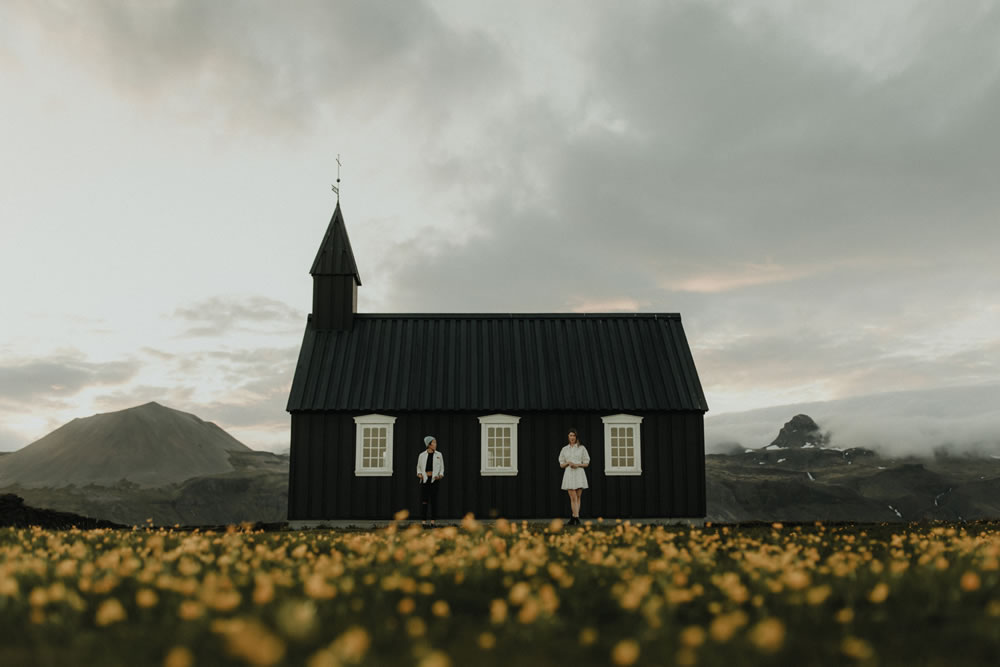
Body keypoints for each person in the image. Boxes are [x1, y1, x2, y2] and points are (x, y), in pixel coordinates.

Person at [558, 428, 590, 525]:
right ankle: (576, 518)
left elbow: (586, 463)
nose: (572, 437)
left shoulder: (582, 448)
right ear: (568, 437)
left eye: (574, 436)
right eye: (570, 435)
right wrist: (568, 463)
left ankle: (574, 517)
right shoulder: (564, 449)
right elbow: (561, 464)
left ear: (576, 437)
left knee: (578, 497)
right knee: (573, 497)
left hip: (579, 473)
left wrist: (577, 465)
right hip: (569, 473)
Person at [416, 436, 444, 526]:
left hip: (434, 481)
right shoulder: (422, 455)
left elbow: (442, 468)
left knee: (434, 501)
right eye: (434, 443)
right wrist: (419, 474)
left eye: (435, 442)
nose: (436, 444)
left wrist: (440, 475)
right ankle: (423, 522)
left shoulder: (439, 455)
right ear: (429, 444)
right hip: (425, 481)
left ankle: (432, 522)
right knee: (424, 501)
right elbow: (419, 467)